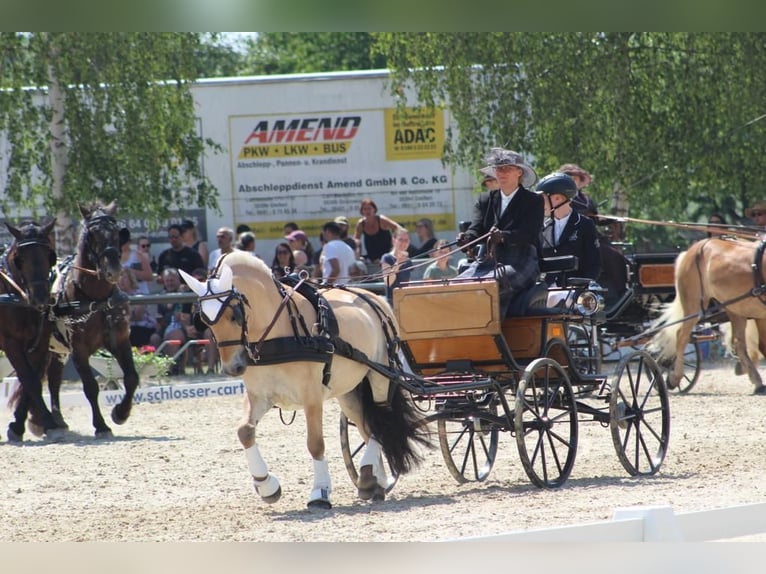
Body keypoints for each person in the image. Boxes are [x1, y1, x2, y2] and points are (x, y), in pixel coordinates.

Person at [457, 147, 543, 316]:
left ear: (519, 172)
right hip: (487, 260)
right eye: (498, 169)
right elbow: (476, 229)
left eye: (507, 169)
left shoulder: (533, 201)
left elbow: (529, 234)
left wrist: (504, 237)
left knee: (492, 283)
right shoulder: (485, 200)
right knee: (457, 284)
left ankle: (491, 331)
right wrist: (467, 240)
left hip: (522, 261)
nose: (501, 173)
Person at [536, 172, 601, 287]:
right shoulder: (542, 228)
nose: (540, 204)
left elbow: (594, 265)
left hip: (575, 292)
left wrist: (579, 288)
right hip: (546, 292)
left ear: (557, 198)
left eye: (543, 199)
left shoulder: (585, 225)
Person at [151, 267, 199, 375]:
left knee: (173, 336)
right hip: (166, 325)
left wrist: (179, 294)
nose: (169, 283)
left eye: (172, 280)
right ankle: (158, 369)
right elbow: (161, 314)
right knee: (154, 338)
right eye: (167, 281)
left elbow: (187, 313)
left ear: (178, 280)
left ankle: (171, 369)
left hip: (183, 326)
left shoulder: (185, 292)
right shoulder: (162, 295)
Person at [353, 198, 405, 264]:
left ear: (374, 209)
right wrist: (357, 255)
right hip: (372, 258)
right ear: (362, 211)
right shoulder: (361, 223)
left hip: (388, 256)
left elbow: (398, 228)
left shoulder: (381, 219)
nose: (367, 211)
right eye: (365, 209)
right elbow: (356, 240)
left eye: (369, 208)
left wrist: (395, 247)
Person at [118, 268, 158, 348]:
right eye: (120, 277)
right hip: (125, 327)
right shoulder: (116, 297)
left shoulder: (139, 295)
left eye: (125, 277)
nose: (121, 279)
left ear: (131, 280)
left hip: (142, 327)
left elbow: (138, 316)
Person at [381, 228, 413, 305]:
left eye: (406, 240)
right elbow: (388, 282)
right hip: (392, 302)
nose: (403, 243)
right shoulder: (386, 258)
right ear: (393, 240)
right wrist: (397, 264)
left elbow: (408, 283)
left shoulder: (408, 261)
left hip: (405, 301)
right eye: (400, 240)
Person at [119, 227, 154, 294]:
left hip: (140, 293)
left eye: (124, 243)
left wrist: (131, 272)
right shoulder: (115, 258)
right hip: (123, 296)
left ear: (129, 242)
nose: (122, 246)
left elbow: (149, 276)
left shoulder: (138, 256)